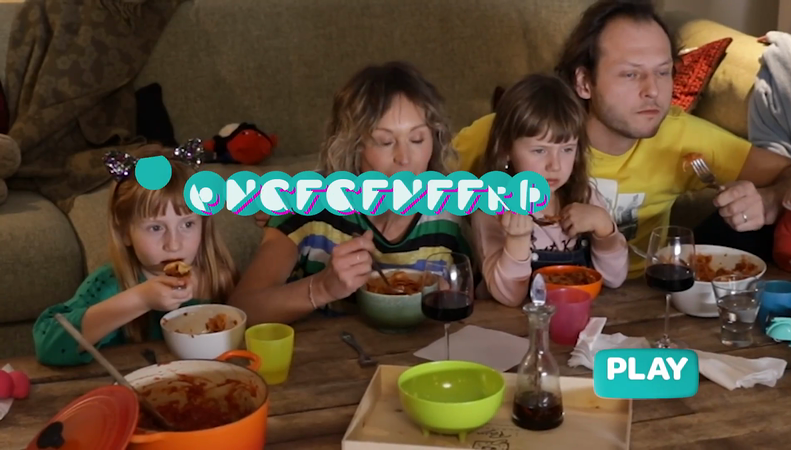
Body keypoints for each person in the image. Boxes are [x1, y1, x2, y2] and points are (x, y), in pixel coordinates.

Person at [452, 0, 791, 278]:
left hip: (638, 301)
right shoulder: (516, 131)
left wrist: (770, 199)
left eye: (663, 72)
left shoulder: (684, 137)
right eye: (631, 74)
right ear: (584, 82)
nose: (653, 91)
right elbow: (423, 185)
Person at [230, 61, 473, 325]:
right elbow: (242, 309)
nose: (404, 158)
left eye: (417, 139)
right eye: (385, 141)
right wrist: (323, 287)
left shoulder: (451, 211)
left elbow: (482, 297)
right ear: (354, 146)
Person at [33, 149, 237, 366]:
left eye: (187, 224)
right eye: (156, 227)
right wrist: (140, 299)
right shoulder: (110, 282)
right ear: (124, 233)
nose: (173, 244)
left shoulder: (219, 276)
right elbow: (49, 345)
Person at [472, 74, 627, 306]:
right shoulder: (491, 207)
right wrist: (517, 240)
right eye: (539, 151)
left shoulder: (585, 196)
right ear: (505, 149)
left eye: (567, 149)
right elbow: (510, 297)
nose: (555, 165)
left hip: (576, 320)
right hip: (517, 325)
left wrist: (604, 228)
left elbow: (614, 279)